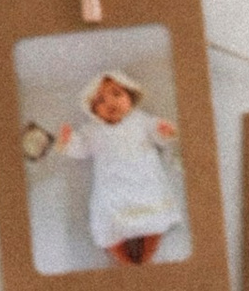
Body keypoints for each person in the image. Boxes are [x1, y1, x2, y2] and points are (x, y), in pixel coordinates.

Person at [50, 65, 184, 266]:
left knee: (155, 224)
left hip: (144, 184)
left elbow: (158, 134)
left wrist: (164, 132)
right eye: (101, 101)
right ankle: (126, 261)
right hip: (112, 191)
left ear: (130, 96)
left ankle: (146, 258)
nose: (110, 102)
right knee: (108, 230)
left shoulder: (142, 120)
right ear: (93, 110)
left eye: (116, 94)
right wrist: (68, 142)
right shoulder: (92, 131)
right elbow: (81, 149)